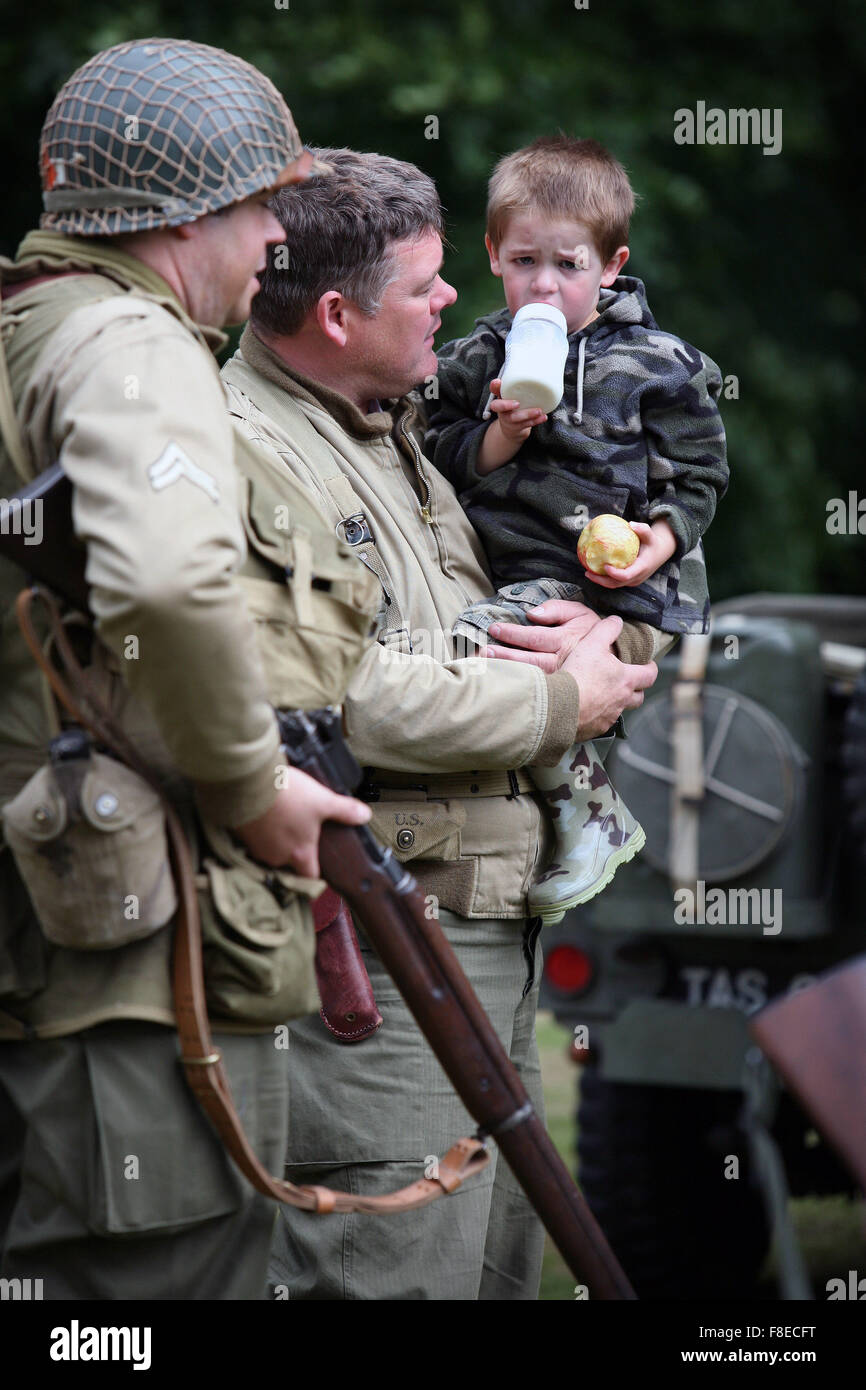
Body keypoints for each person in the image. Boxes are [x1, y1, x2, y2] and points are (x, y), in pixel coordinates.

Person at [220, 147, 657, 1300]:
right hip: (374, 953)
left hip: (479, 943)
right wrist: (563, 700)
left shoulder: (404, 417)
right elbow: (342, 697)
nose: (459, 296)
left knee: (499, 1270)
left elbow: (548, 575)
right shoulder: (251, 452)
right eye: (424, 284)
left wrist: (612, 636)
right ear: (331, 312)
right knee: (390, 1270)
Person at [0, 40, 377, 1300]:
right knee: (154, 1292)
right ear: (188, 216)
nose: (277, 238)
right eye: (263, 205)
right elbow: (164, 581)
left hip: (39, 918)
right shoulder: (129, 342)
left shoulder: (23, 334)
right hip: (116, 952)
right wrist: (248, 783)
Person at [426, 136, 729, 924]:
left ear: (611, 263)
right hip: (517, 563)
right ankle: (564, 820)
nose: (546, 285)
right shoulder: (476, 358)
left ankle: (592, 820)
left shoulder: (659, 364)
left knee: (483, 648)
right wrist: (501, 438)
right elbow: (433, 449)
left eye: (569, 266)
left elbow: (699, 476)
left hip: (619, 579)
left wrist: (658, 542)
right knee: (505, 660)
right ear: (492, 254)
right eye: (525, 261)